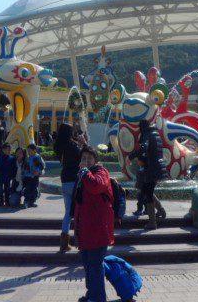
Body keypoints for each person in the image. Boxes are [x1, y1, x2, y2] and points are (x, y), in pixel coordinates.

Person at [73, 146, 114, 302]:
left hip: (98, 229)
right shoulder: (82, 176)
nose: (85, 161)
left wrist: (84, 172)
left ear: (96, 160)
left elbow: (96, 186)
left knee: (95, 267)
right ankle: (92, 295)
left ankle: (98, 298)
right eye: (83, 158)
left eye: (89, 158)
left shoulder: (101, 172)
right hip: (85, 229)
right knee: (89, 267)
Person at [54, 123, 83, 252]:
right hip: (74, 180)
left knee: (68, 213)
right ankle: (80, 240)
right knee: (79, 211)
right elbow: (84, 156)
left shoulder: (59, 146)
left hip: (64, 180)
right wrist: (83, 143)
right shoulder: (72, 145)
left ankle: (64, 244)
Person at [137, 120, 168, 230]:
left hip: (151, 168)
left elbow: (144, 148)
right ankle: (161, 211)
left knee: (148, 193)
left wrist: (137, 156)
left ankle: (152, 222)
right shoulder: (155, 134)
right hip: (157, 167)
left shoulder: (147, 134)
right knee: (147, 190)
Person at [23, 143, 45, 208]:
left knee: (34, 189)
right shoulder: (28, 158)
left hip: (35, 177)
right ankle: (26, 201)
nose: (28, 152)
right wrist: (24, 173)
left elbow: (42, 165)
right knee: (27, 189)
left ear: (34, 150)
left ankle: (32, 201)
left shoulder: (37, 157)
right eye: (28, 151)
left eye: (30, 150)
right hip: (28, 176)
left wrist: (38, 171)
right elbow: (25, 167)